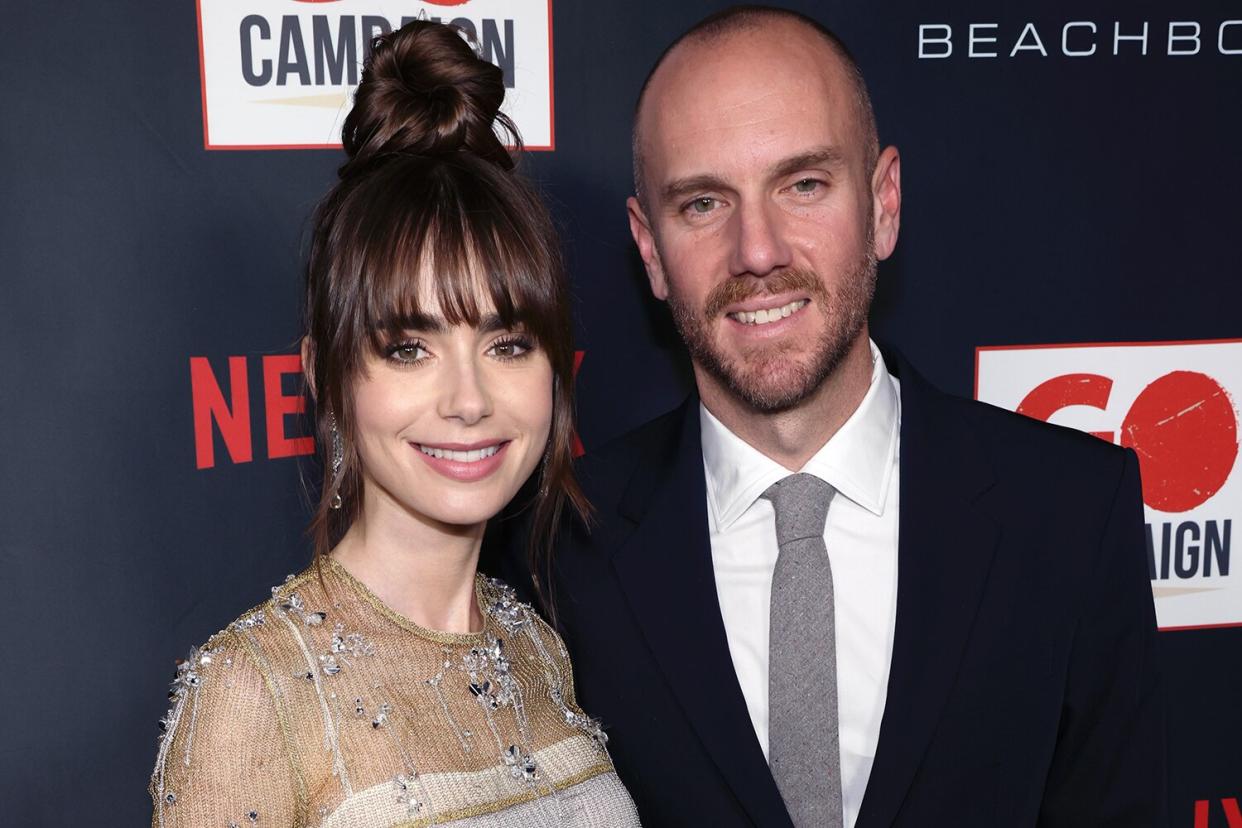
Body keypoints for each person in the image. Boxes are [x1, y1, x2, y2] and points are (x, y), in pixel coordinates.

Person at [490, 6, 1166, 827]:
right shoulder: (554, 547)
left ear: (883, 204)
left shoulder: (1070, 511)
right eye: (703, 203)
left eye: (803, 185)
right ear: (649, 249)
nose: (760, 251)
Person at [148, 21, 641, 828]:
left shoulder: (537, 648)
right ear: (326, 378)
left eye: (508, 343)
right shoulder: (251, 691)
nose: (469, 399)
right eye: (410, 348)